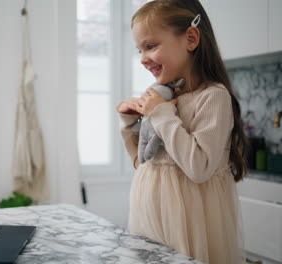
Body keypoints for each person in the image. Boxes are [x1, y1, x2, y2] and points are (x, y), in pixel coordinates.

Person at [116, 0, 247, 263]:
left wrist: (161, 115)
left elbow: (199, 168)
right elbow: (144, 162)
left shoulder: (213, 97)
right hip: (153, 219)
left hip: (190, 226)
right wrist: (128, 125)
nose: (142, 59)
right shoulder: (162, 100)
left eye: (151, 46)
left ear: (190, 38)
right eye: (139, 50)